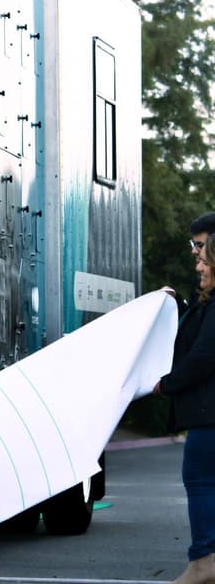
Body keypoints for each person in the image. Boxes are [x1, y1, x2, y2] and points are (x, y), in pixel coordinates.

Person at [155, 235, 215, 584]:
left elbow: (203, 356)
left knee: (201, 480)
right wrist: (173, 304)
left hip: (210, 417)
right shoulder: (208, 304)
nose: (198, 266)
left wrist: (168, 384)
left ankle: (203, 563)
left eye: (204, 261)